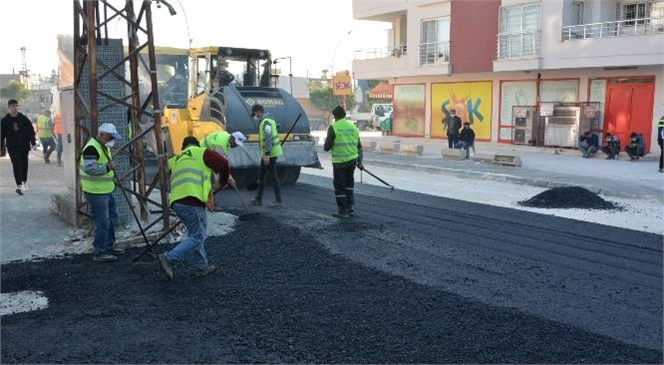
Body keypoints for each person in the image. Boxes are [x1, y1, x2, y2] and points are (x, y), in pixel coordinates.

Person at [157, 136, 233, 280]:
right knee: (198, 236)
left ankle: (201, 266)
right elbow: (224, 162)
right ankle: (169, 258)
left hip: (176, 202)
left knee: (195, 233)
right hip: (192, 200)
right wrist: (222, 182)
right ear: (196, 145)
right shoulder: (201, 152)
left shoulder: (175, 159)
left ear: (183, 147)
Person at [80, 123, 125, 262]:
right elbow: (90, 168)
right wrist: (107, 168)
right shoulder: (92, 148)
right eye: (110, 137)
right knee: (103, 222)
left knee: (112, 219)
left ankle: (109, 246)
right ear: (101, 135)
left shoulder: (103, 146)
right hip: (96, 192)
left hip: (106, 190)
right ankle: (100, 252)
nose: (112, 140)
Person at [323, 105, 364, 218]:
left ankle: (342, 211)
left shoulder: (334, 127)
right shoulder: (353, 127)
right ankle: (350, 208)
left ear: (335, 116)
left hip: (340, 162)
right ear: (345, 116)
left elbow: (326, 147)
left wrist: (327, 142)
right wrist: (360, 162)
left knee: (339, 186)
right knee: (349, 184)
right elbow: (359, 147)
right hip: (352, 162)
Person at [249, 104, 283, 207]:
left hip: (270, 153)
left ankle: (278, 201)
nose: (255, 116)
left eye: (255, 114)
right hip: (267, 153)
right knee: (261, 175)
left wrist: (267, 154)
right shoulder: (269, 120)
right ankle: (258, 199)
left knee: (273, 176)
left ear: (259, 111)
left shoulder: (266, 122)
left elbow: (268, 137)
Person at [0, 99, 37, 195]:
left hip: (24, 146)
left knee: (24, 164)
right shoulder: (4, 121)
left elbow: (30, 131)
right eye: (13, 106)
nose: (15, 108)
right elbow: (1, 135)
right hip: (12, 147)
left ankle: (24, 181)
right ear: (9, 108)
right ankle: (19, 185)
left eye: (16, 105)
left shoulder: (24, 119)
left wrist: (33, 142)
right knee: (17, 164)